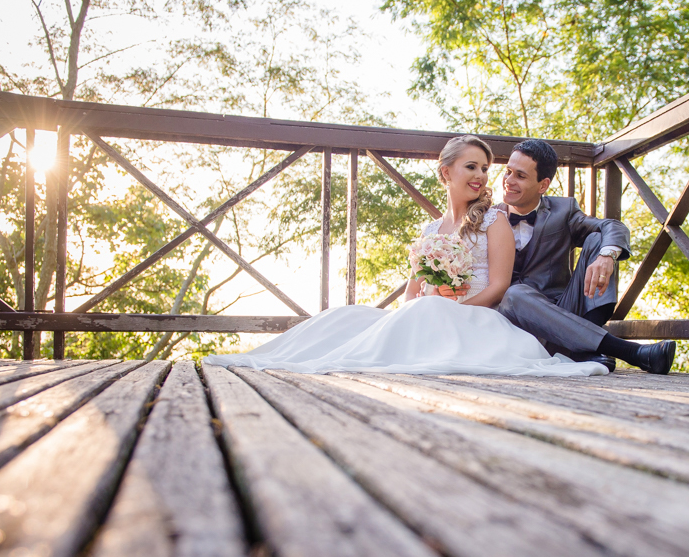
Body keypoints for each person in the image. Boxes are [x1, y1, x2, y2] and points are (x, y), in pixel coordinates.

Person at [202, 135, 607, 377]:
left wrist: (452, 305)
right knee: (348, 315)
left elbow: (500, 287)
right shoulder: (430, 230)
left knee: (424, 312)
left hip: (479, 316)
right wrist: (429, 300)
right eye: (471, 166)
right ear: (446, 172)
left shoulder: (494, 220)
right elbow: (410, 296)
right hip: (430, 311)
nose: (482, 176)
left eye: (485, 167)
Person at [496, 138, 676, 374]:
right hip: (512, 324)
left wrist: (607, 256)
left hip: (563, 310)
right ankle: (627, 352)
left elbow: (613, 226)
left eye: (520, 176)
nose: (509, 181)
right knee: (515, 294)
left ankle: (582, 345)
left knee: (598, 239)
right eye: (508, 172)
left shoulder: (563, 210)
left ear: (543, 185)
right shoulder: (488, 215)